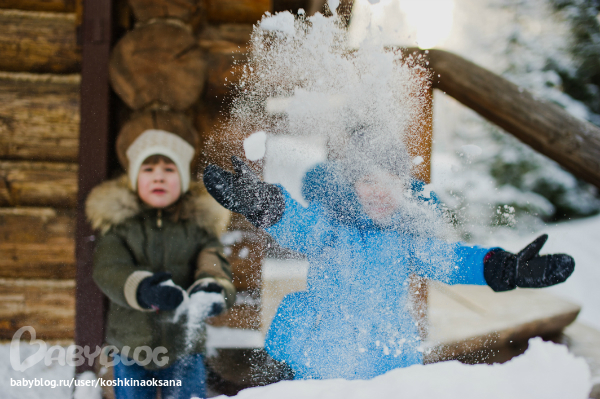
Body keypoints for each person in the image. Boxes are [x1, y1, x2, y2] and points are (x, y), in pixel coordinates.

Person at [202, 133, 575, 381]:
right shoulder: (332, 227)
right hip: (322, 349)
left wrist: (504, 268)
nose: (380, 190)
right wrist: (264, 204)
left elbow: (452, 260)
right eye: (367, 180)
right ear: (350, 185)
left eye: (391, 179)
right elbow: (298, 226)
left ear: (404, 184)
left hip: (385, 352)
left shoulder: (408, 238)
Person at [86, 118, 235, 399]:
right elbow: (108, 268)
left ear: (182, 179)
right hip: (131, 346)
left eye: (168, 169)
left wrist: (211, 286)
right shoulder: (120, 227)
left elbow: (212, 259)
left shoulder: (197, 228)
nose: (158, 177)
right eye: (148, 169)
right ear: (133, 179)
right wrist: (143, 289)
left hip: (184, 345)